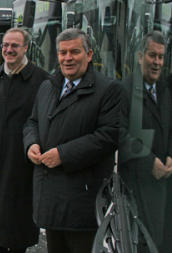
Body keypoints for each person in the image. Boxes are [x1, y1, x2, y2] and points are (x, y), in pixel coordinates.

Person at [23, 28, 121, 253]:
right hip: (50, 198)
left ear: (89, 55)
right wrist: (31, 144)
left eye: (74, 52)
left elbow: (109, 135)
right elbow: (32, 122)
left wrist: (63, 155)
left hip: (83, 203)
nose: (67, 58)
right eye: (62, 52)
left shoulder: (108, 90)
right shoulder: (48, 86)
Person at [0, 28, 49, 253]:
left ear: (26, 48)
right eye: (5, 45)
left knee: (19, 211)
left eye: (15, 45)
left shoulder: (42, 80)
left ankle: (18, 247)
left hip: (24, 159)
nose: (8, 50)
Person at [119, 31, 172, 252]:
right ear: (141, 56)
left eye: (161, 57)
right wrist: (150, 162)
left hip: (166, 184)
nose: (157, 62)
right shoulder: (125, 89)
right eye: (152, 56)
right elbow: (119, 133)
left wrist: (170, 155)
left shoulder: (166, 90)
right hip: (137, 186)